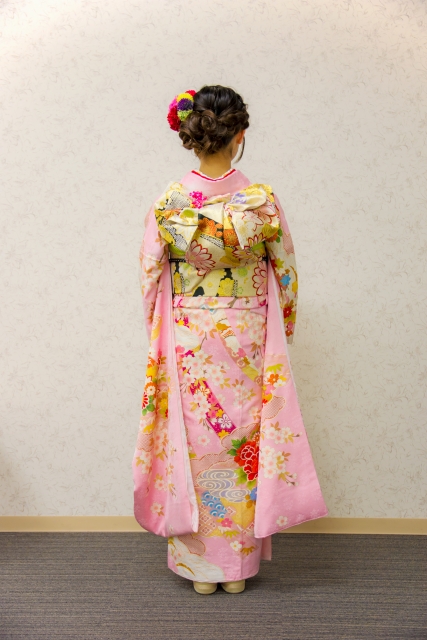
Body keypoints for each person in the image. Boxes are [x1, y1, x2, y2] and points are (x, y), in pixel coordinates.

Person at [132, 85, 328, 595]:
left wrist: (161, 327)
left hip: (190, 336)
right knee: (243, 440)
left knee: (194, 440)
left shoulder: (170, 202)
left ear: (190, 136)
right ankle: (235, 570)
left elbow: (151, 276)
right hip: (245, 334)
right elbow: (285, 272)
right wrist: (279, 325)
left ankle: (201, 570)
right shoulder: (260, 201)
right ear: (239, 135)